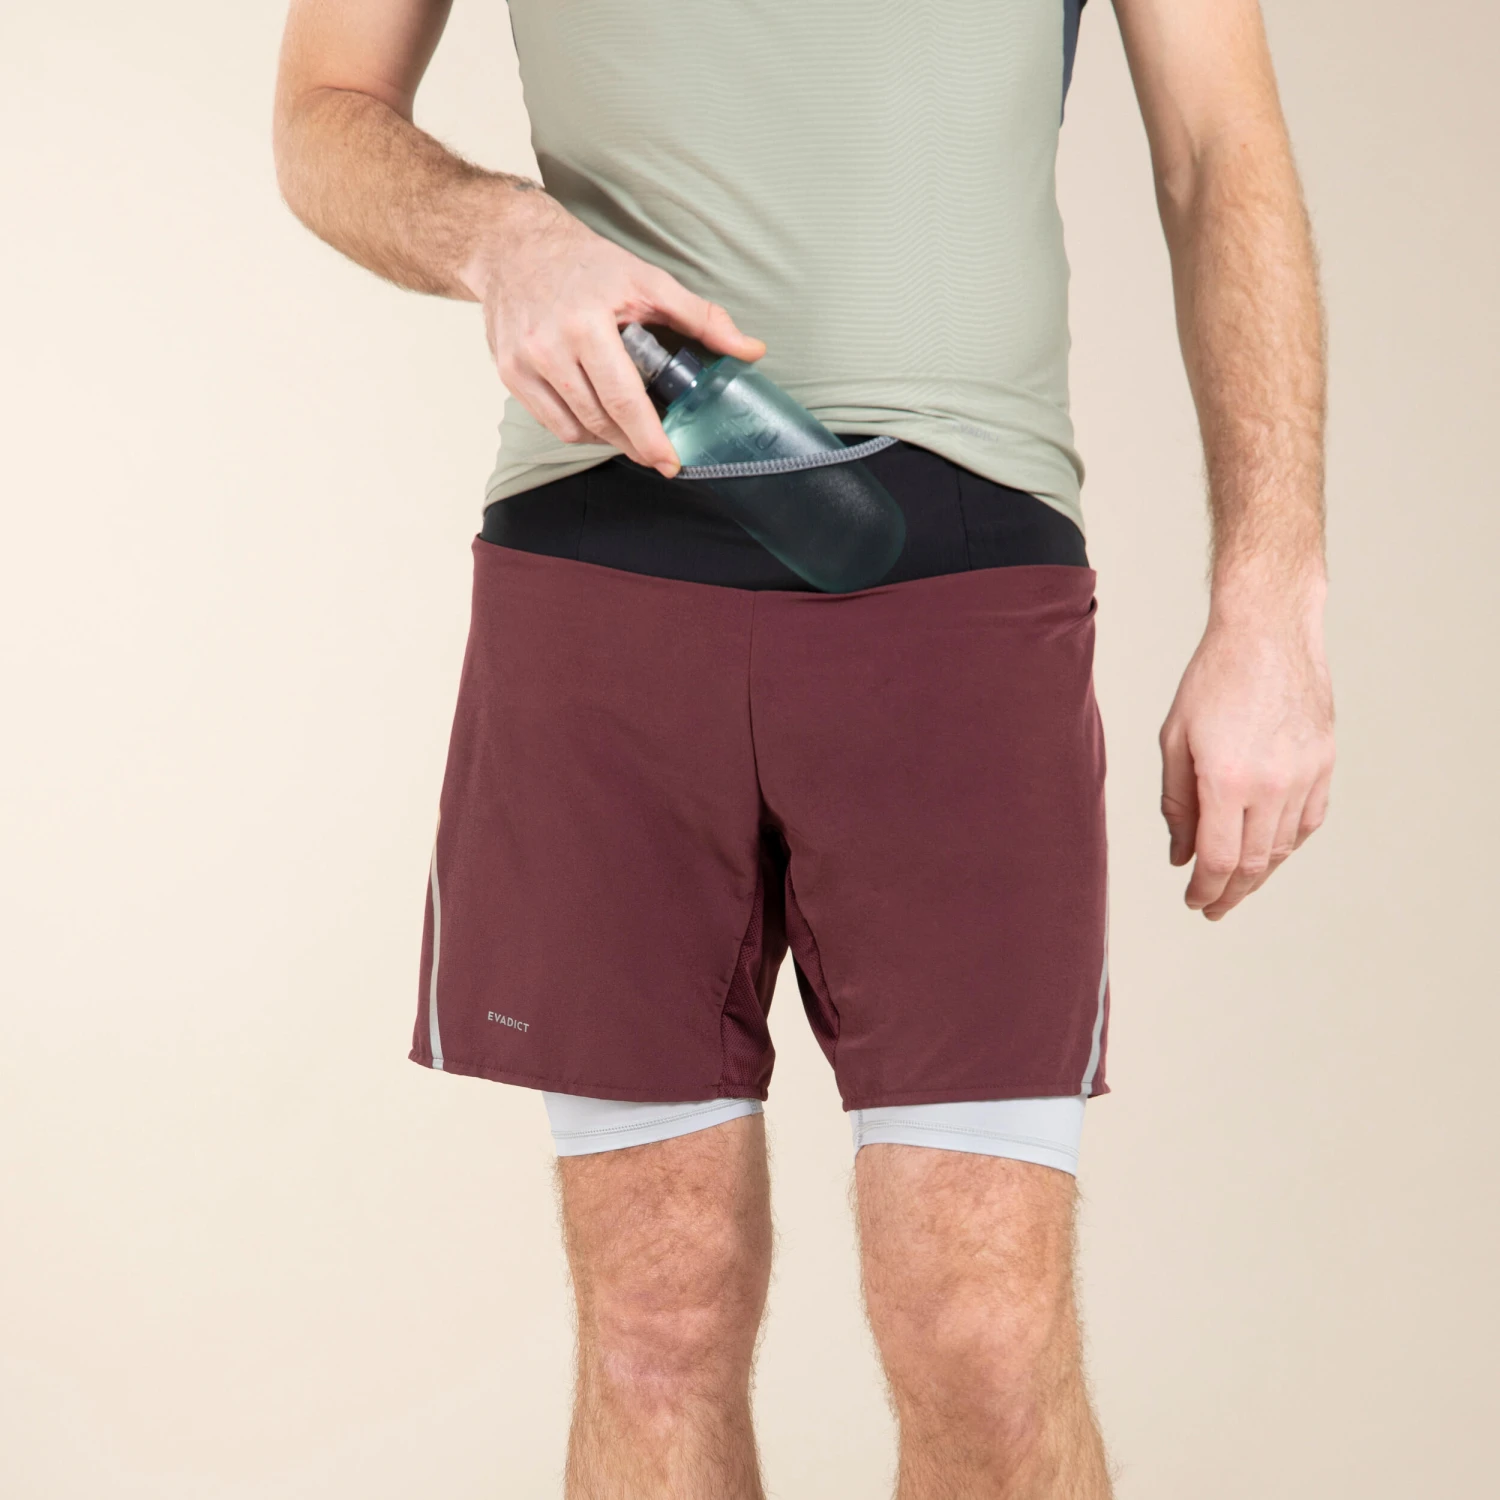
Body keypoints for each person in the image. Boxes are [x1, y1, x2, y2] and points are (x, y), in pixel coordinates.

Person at [272, 0, 1335, 1493]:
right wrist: (500, 237)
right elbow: (323, 109)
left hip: (960, 574)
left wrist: (1271, 600)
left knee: (982, 1330)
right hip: (601, 552)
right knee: (655, 1321)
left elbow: (1221, 150)